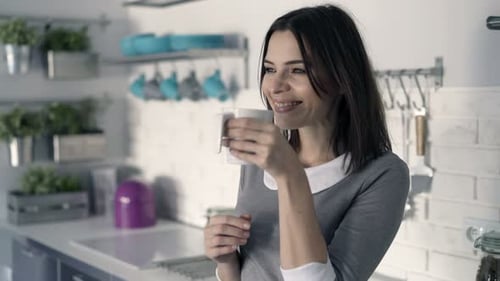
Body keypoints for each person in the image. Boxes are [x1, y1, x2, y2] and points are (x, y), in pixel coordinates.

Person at [204, 4, 409, 281]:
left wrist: (290, 174)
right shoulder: (260, 156)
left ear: (341, 78)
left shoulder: (382, 175)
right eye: (269, 69)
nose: (275, 86)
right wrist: (227, 263)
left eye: (297, 71)